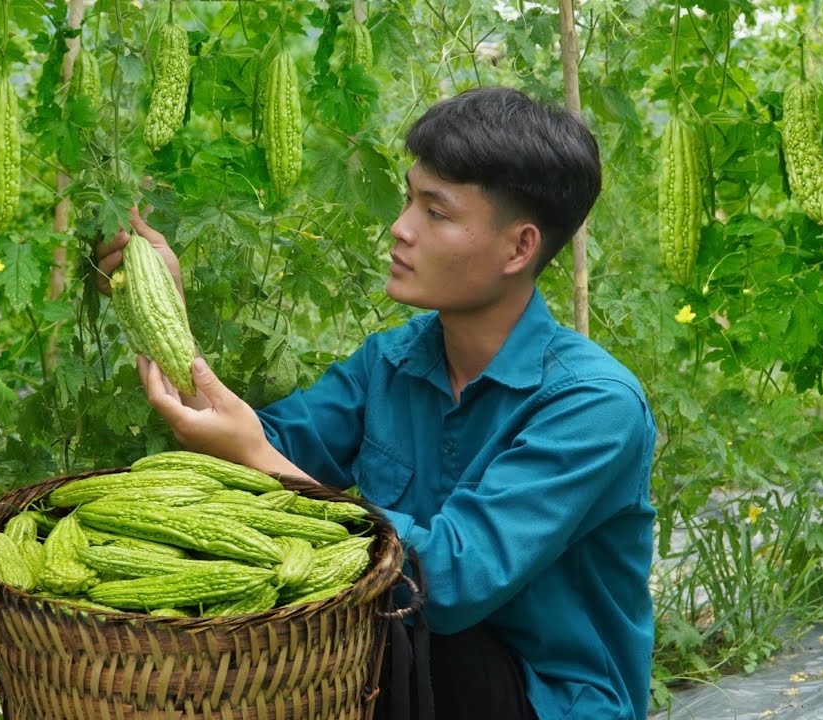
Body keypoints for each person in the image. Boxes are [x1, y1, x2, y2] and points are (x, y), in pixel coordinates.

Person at [95, 86, 656, 720]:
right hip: (413, 666)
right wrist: (157, 307)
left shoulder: (593, 406)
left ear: (519, 247)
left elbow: (447, 583)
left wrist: (256, 454)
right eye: (408, 198)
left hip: (543, 697)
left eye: (435, 212)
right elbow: (256, 451)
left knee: (390, 623)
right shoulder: (391, 361)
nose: (400, 227)